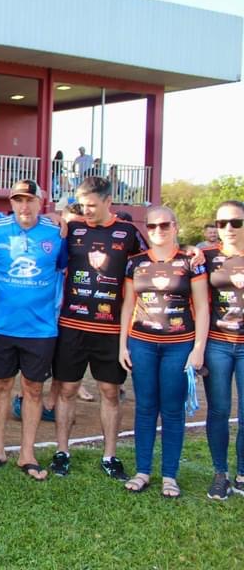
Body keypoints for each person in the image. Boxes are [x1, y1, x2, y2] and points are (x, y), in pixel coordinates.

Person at [51, 176, 146, 480]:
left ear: (108, 201)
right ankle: (62, 452)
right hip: (72, 324)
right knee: (66, 390)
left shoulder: (129, 232)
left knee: (109, 391)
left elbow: (152, 260)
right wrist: (59, 216)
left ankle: (110, 455)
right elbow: (52, 223)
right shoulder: (74, 228)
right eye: (82, 205)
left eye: (93, 205)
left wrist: (191, 252)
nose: (87, 210)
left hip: (110, 328)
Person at [0, 180, 66, 480]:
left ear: (40, 202)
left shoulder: (57, 234)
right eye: (18, 200)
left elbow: (64, 268)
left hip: (41, 329)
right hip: (0, 325)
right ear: (11, 203)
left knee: (33, 389)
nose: (24, 206)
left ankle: (27, 452)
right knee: (0, 386)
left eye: (29, 200)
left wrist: (66, 218)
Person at [118, 206, 208, 498]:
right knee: (144, 408)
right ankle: (143, 470)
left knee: (171, 410)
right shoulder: (135, 263)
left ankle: (170, 475)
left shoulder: (191, 261)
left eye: (164, 225)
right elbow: (128, 306)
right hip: (142, 343)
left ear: (175, 227)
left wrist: (198, 349)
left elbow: (203, 306)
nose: (158, 231)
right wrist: (123, 344)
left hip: (179, 345)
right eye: (153, 226)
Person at [201, 201, 244, 500]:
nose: (228, 228)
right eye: (222, 222)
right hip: (217, 344)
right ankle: (220, 473)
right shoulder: (205, 256)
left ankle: (242, 473)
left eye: (236, 222)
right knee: (218, 410)